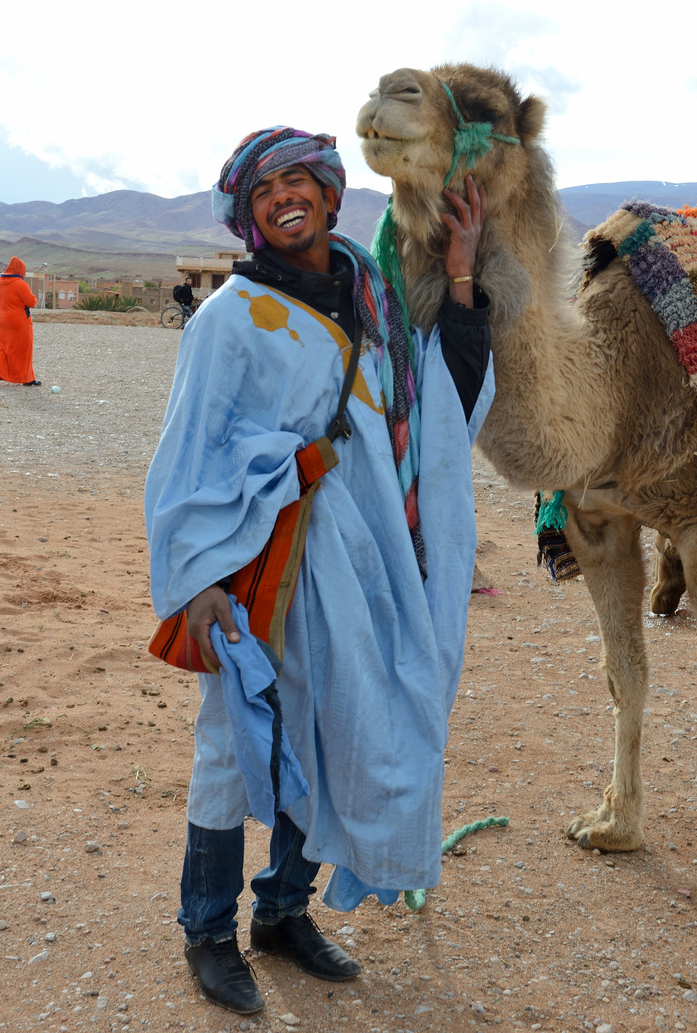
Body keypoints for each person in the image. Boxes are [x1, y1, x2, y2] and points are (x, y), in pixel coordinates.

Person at [144, 127, 493, 1015]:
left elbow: (439, 400)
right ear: (247, 216)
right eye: (264, 192)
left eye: (298, 182)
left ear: (333, 197)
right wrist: (195, 581)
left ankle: (283, 913)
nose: (283, 198)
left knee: (336, 730)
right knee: (233, 742)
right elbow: (185, 457)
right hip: (261, 559)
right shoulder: (229, 319)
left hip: (365, 561)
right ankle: (208, 931)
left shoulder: (370, 301)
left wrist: (460, 270)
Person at [0, 256, 40, 386]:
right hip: (18, 321)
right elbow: (31, 302)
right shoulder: (21, 284)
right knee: (23, 349)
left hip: (1, 320)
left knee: (0, 347)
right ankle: (27, 379)